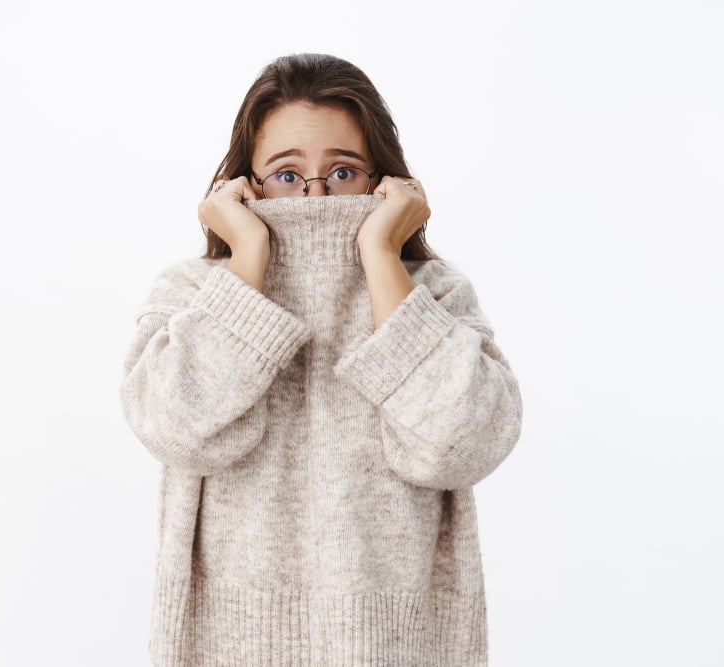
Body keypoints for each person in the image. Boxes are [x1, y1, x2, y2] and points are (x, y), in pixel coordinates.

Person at [119, 52, 523, 667]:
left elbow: (463, 446)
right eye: (286, 174)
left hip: (400, 645)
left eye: (343, 172)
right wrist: (248, 252)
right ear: (244, 185)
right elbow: (175, 429)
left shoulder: (434, 293)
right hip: (226, 644)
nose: (315, 195)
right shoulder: (193, 294)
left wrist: (380, 256)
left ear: (382, 181)